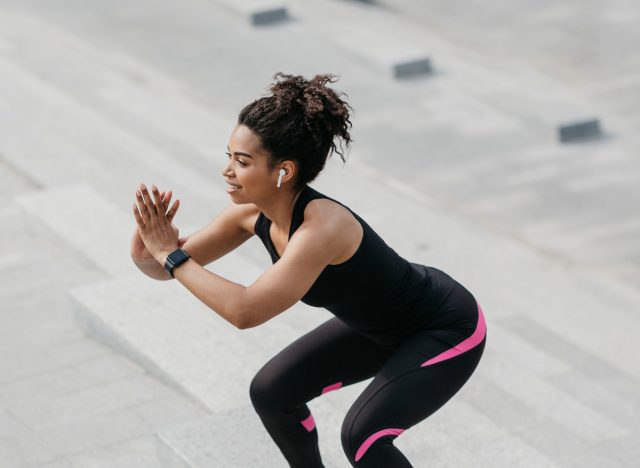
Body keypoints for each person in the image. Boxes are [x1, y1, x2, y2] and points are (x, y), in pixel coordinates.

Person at [130, 72, 487, 468]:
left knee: (363, 437)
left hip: (444, 328)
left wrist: (171, 255)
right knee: (271, 392)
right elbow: (165, 268)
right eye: (229, 156)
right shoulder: (250, 214)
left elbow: (245, 311)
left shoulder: (323, 228)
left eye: (242, 161)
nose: (227, 170)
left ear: (283, 171)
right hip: (378, 327)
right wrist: (148, 247)